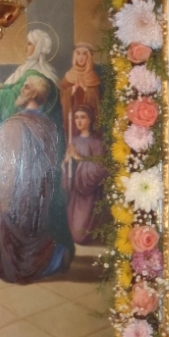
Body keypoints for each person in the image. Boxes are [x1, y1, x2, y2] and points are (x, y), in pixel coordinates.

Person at [0, 75, 73, 284]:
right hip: (38, 199)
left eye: (25, 88)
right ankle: (54, 257)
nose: (20, 91)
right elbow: (23, 157)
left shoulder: (16, 124)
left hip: (17, 197)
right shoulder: (46, 124)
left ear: (33, 93)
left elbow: (3, 166)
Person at [61, 104, 107, 244]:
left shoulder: (97, 143)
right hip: (75, 193)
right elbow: (67, 167)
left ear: (90, 120)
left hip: (89, 194)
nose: (79, 121)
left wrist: (78, 158)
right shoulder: (73, 141)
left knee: (80, 236)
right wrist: (66, 163)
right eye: (76, 118)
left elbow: (100, 168)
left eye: (82, 117)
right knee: (72, 234)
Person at [60, 43, 101, 142]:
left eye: (84, 54)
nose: (81, 57)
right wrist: (73, 89)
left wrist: (86, 89)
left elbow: (98, 101)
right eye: (78, 54)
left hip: (88, 120)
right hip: (72, 119)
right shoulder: (69, 76)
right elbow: (61, 95)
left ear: (88, 57)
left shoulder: (93, 77)